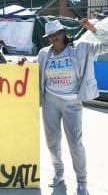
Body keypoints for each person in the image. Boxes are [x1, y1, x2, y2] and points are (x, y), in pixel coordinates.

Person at [37, 19, 108, 195]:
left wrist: (93, 29)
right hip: (50, 102)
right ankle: (59, 173)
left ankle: (82, 181)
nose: (55, 37)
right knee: (52, 142)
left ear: (63, 32)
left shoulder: (81, 47)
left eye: (57, 33)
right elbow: (33, 69)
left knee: (75, 143)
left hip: (72, 102)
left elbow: (106, 45)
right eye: (51, 35)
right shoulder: (44, 53)